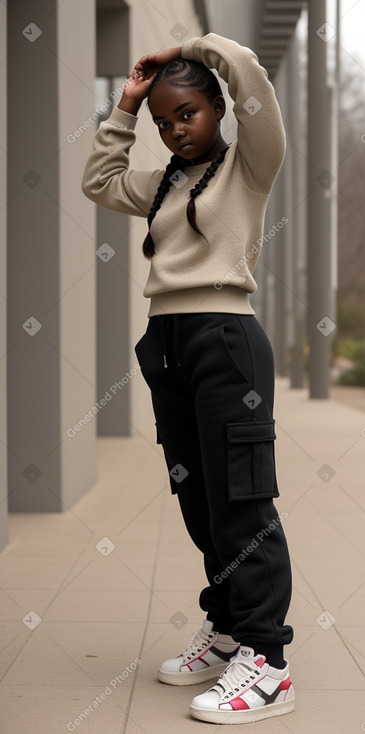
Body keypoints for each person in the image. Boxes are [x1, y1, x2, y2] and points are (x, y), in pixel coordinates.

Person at [81, 32, 295, 725]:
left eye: (189, 113)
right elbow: (99, 182)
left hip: (225, 338)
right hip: (168, 342)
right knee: (198, 502)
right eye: (164, 121)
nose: (176, 129)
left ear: (217, 111)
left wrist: (198, 45)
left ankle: (267, 664)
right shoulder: (166, 183)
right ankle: (229, 629)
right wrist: (125, 105)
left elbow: (255, 89)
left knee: (242, 502)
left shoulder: (249, 168)